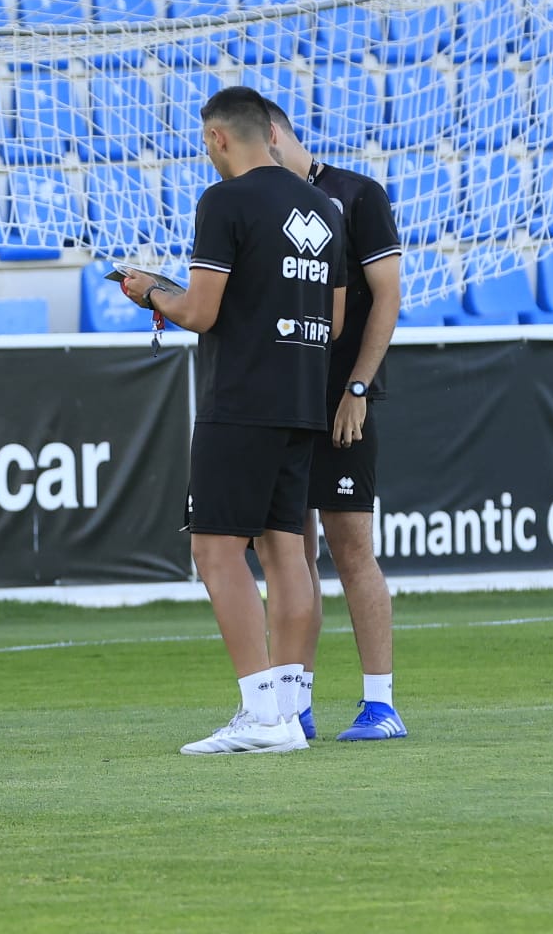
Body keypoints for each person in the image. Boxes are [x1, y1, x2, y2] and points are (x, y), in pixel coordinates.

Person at [121, 86, 346, 756]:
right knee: (286, 552)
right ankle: (289, 710)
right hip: (303, 395)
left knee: (216, 548)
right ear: (271, 134)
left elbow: (199, 313)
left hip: (242, 398)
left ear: (220, 138)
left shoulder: (225, 202)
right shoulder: (323, 207)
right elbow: (332, 322)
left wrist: (147, 289)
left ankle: (261, 714)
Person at [264, 99, 408, 743]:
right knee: (288, 555)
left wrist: (357, 386)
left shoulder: (357, 195)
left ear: (271, 136)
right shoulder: (258, 204)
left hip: (341, 403)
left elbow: (388, 296)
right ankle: (293, 705)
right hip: (280, 406)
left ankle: (381, 705)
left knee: (351, 549)